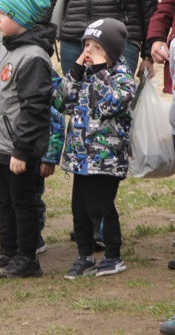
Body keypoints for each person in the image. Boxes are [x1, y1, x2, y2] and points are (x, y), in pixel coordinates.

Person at [0, 0, 54, 279]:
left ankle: (27, 257)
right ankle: (7, 252)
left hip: (17, 150)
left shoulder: (33, 57)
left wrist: (22, 150)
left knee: (23, 203)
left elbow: (35, 109)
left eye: (3, 13)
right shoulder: (7, 50)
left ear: (21, 18)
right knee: (2, 203)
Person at [53, 18, 135, 280]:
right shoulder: (85, 75)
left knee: (100, 205)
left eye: (96, 46)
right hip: (81, 156)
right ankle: (84, 255)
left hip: (106, 159)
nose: (88, 51)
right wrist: (75, 73)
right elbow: (59, 103)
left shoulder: (120, 77)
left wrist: (100, 71)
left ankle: (113, 255)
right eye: (86, 45)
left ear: (111, 50)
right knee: (79, 207)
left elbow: (111, 105)